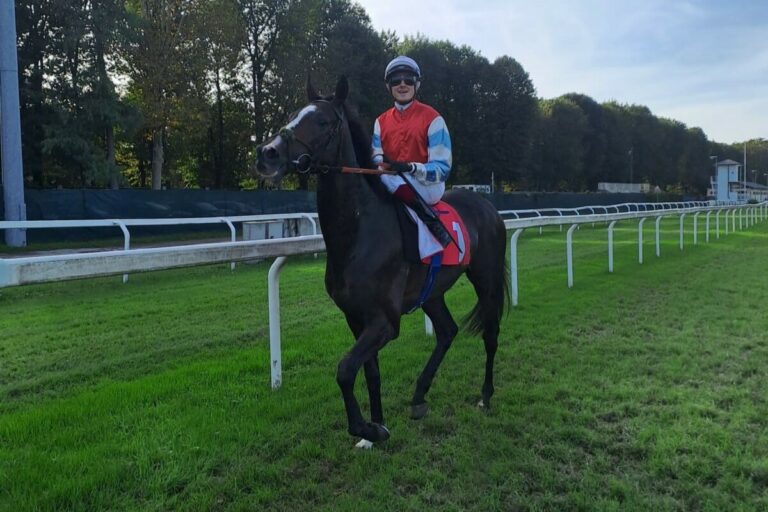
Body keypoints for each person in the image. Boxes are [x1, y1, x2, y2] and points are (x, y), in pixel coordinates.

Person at [372, 55, 454, 248]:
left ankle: (432, 222)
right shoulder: (380, 122)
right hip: (393, 181)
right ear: (389, 86)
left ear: (416, 84)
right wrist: (382, 166)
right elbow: (375, 158)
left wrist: (411, 168)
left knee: (387, 180)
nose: (402, 84)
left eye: (408, 79)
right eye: (396, 80)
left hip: (428, 185)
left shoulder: (433, 118)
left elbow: (442, 169)